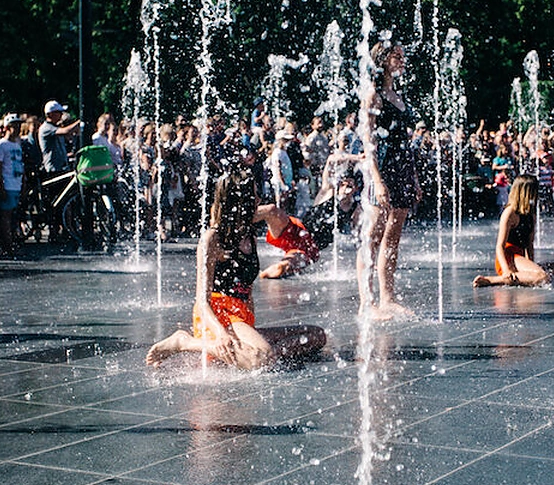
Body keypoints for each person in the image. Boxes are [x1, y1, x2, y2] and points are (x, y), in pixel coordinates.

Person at [145, 161, 326, 370]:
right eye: (254, 195)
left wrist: (250, 329)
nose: (259, 199)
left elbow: (268, 214)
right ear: (241, 200)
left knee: (315, 335)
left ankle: (252, 353)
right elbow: (202, 301)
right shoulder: (212, 240)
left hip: (240, 317)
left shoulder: (249, 233)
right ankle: (185, 342)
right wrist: (221, 333)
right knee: (262, 360)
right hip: (218, 315)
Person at [360, 42, 420, 319]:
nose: (402, 60)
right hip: (382, 168)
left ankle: (388, 298)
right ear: (383, 60)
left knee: (393, 237)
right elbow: (368, 141)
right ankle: (367, 302)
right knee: (373, 236)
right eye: (397, 56)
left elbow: (404, 140)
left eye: (402, 56)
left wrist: (414, 176)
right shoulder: (373, 95)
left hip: (402, 167)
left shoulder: (397, 94)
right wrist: (377, 179)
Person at [473, 175, 554, 287]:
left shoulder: (531, 213)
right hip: (509, 257)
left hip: (520, 258)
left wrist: (531, 265)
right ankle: (494, 280)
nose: (537, 195)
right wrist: (506, 270)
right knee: (542, 277)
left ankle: (522, 277)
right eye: (534, 191)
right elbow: (500, 246)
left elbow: (529, 244)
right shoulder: (510, 213)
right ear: (526, 192)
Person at [0, 114, 25, 258]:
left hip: (16, 184)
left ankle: (12, 243)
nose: (17, 129)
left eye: (19, 126)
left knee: (13, 216)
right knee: (5, 216)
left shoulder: (17, 145)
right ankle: (7, 246)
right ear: (7, 128)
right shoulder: (1, 145)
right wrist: (0, 185)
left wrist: (23, 184)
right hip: (7, 183)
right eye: (14, 126)